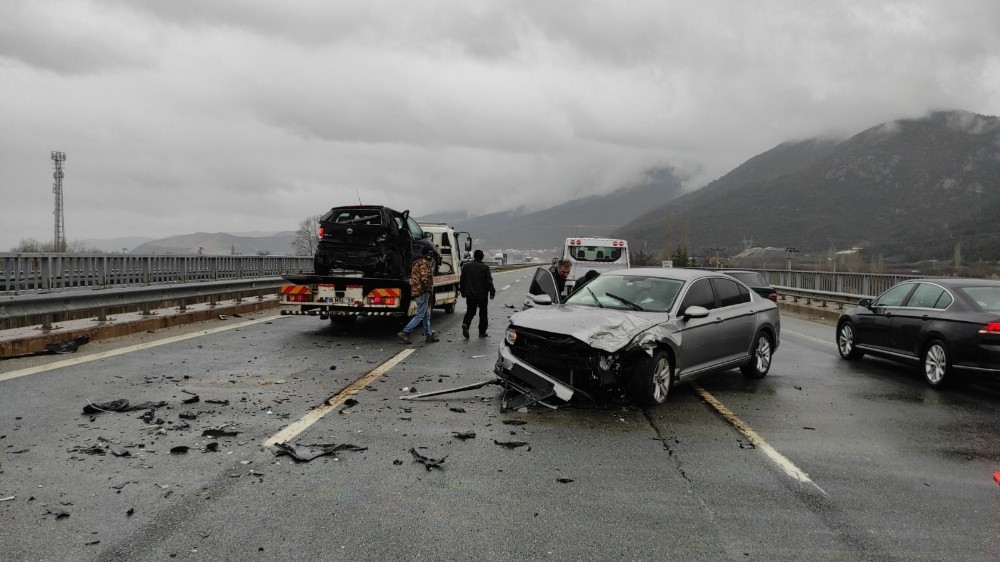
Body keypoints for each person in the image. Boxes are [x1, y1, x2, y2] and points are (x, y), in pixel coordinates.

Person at [397, 245, 438, 344]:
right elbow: (424, 278)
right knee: (420, 315)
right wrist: (428, 289)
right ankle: (405, 332)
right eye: (430, 254)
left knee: (426, 315)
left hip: (419, 291)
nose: (431, 256)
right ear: (425, 254)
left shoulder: (418, 262)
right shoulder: (424, 263)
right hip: (422, 292)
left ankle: (428, 336)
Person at [459, 250, 496, 338]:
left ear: (474, 256)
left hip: (470, 295)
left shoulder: (466, 266)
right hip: (482, 295)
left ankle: (466, 324)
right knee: (483, 313)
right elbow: (488, 281)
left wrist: (462, 291)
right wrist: (492, 291)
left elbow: (462, 281)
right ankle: (482, 332)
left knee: (470, 312)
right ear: (482, 257)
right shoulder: (485, 267)